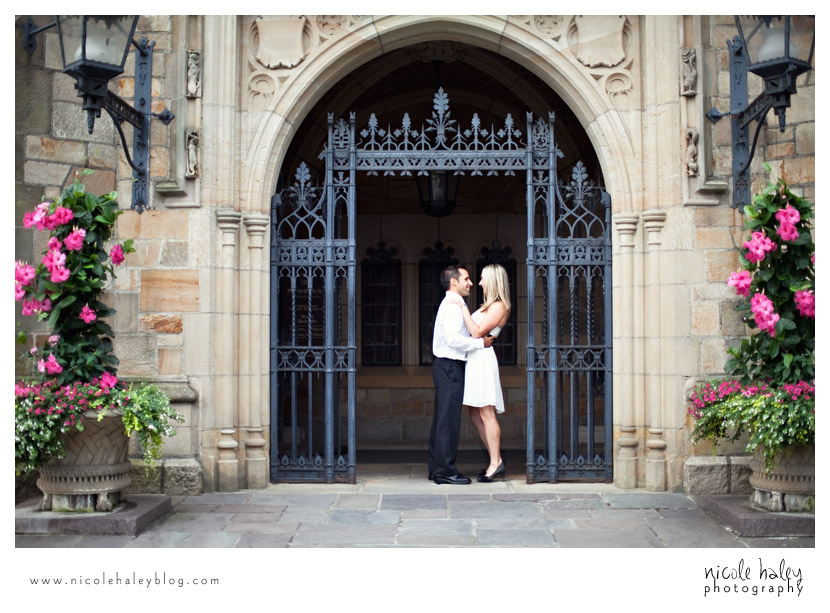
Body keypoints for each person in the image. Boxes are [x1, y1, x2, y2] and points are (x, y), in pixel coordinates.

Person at [429, 265, 494, 485]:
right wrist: (479, 343)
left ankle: (437, 468)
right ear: (453, 282)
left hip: (445, 367)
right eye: (466, 279)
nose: (470, 283)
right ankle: (445, 472)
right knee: (448, 421)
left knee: (442, 420)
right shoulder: (453, 306)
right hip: (449, 367)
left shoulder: (453, 304)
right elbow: (453, 340)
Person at [453, 264, 510, 482]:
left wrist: (462, 307)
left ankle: (495, 463)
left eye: (483, 279)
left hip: (483, 361)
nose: (479, 283)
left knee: (486, 413)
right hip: (474, 359)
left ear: (494, 280)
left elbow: (477, 332)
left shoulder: (499, 306)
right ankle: (496, 459)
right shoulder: (488, 305)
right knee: (475, 413)